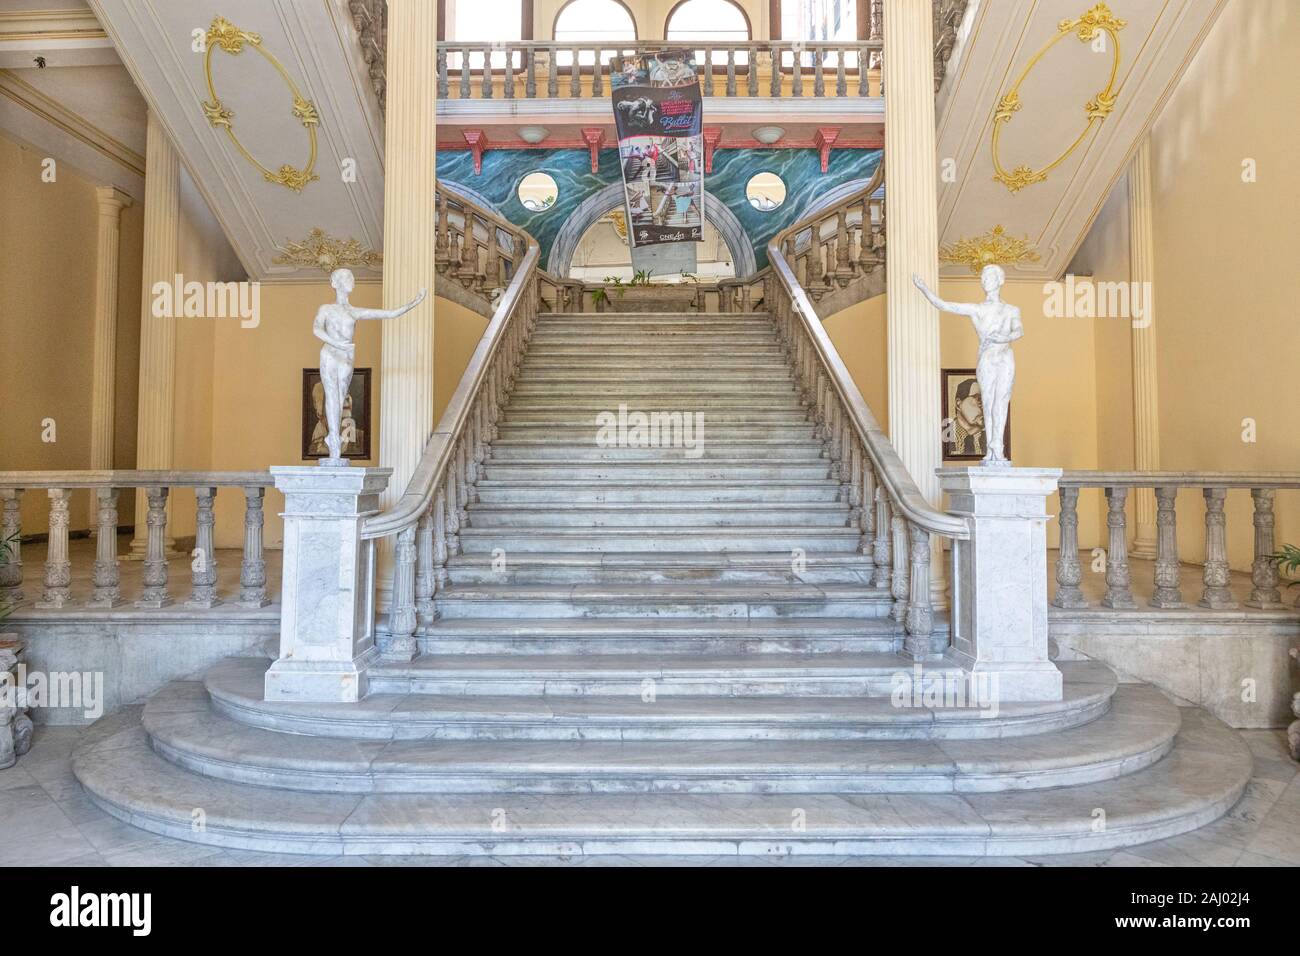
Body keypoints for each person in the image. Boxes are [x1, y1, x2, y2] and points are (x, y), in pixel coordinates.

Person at [912, 264, 1021, 464]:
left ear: (1000, 280)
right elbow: (945, 305)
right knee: (988, 402)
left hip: (1005, 357)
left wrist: (1003, 337)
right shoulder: (977, 310)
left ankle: (999, 446)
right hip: (987, 358)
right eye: (983, 278)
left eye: (988, 277)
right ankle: (991, 449)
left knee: (1002, 401)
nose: (984, 281)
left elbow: (1019, 331)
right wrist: (925, 289)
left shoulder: (1012, 310)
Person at [314, 268, 425, 465]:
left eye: (352, 277)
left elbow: (390, 314)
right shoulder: (326, 309)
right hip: (330, 352)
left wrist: (413, 303)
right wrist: (335, 342)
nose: (352, 280)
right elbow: (316, 329)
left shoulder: (355, 312)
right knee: (331, 395)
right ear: (335, 283)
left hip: (346, 355)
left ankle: (334, 438)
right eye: (347, 277)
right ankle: (334, 442)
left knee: (340, 397)